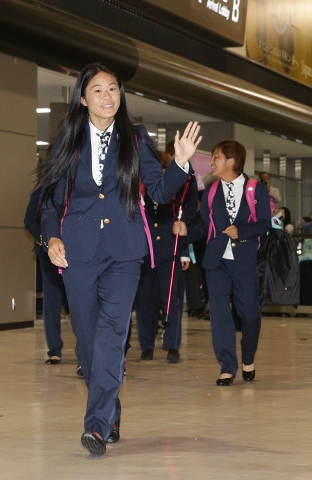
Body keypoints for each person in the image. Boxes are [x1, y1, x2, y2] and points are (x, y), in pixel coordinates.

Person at [38, 62, 201, 456]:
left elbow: (160, 193)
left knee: (112, 334)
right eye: (98, 90)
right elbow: (50, 200)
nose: (108, 96)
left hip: (124, 250)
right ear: (83, 98)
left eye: (113, 89)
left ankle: (95, 426)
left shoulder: (135, 136)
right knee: (89, 341)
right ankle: (110, 411)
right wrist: (51, 238)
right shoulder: (67, 139)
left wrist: (180, 164)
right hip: (77, 251)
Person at [173, 141, 271, 386]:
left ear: (231, 161)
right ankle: (227, 367)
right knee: (219, 316)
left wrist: (243, 230)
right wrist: (187, 230)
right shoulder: (211, 191)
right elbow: (206, 228)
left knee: (249, 314)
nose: (212, 162)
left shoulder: (255, 188)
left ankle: (248, 358)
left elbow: (265, 224)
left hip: (245, 261)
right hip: (216, 262)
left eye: (216, 157)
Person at [135, 151, 198, 363]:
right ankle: (147, 344)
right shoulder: (141, 187)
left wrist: (183, 252)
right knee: (145, 300)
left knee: (172, 299)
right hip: (146, 251)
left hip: (171, 249)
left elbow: (186, 216)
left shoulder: (178, 187)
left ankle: (172, 345)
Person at [24, 184, 68, 364]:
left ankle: (85, 350)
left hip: (80, 253)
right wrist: (45, 241)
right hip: (49, 254)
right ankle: (54, 349)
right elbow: (29, 220)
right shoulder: (44, 187)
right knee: (52, 301)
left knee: (81, 302)